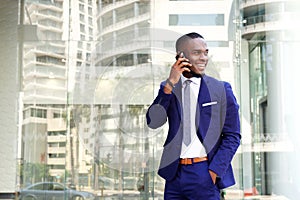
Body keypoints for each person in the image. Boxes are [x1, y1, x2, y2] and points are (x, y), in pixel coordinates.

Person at [146, 32, 241, 199]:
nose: (203, 57)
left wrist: (214, 171)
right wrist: (169, 85)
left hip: (204, 172)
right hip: (174, 174)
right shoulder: (168, 88)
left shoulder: (221, 89)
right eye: (197, 52)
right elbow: (154, 122)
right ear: (180, 57)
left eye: (205, 52)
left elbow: (233, 135)